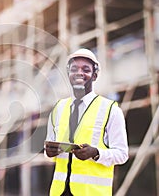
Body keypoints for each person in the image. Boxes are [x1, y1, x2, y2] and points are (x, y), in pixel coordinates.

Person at [44, 48, 129, 196]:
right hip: (59, 192)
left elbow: (122, 154)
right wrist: (49, 153)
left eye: (86, 69)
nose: (79, 73)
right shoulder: (58, 109)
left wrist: (96, 153)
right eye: (74, 69)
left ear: (95, 75)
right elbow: (49, 149)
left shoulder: (111, 110)